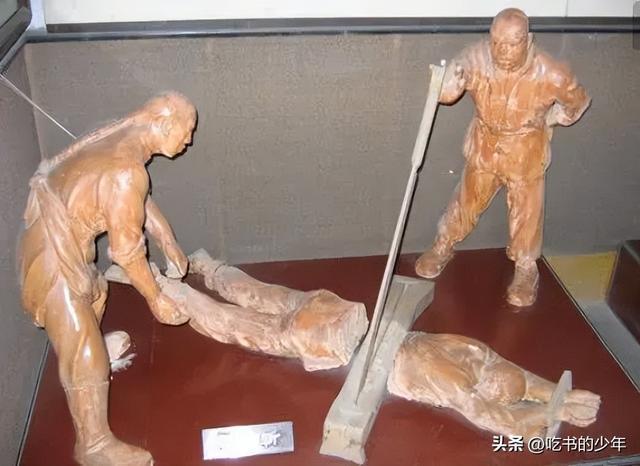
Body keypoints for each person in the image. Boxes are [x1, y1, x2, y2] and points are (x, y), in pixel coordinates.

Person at [18, 92, 196, 465]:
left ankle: (93, 356)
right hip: (51, 256)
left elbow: (133, 200)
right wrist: (156, 299)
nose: (189, 140)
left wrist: (167, 240)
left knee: (96, 296)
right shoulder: (127, 170)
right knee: (82, 345)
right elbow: (126, 252)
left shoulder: (123, 145)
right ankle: (93, 445)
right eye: (187, 130)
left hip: (58, 242)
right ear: (164, 125)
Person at [415, 8, 590, 306]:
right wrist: (448, 84)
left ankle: (525, 268)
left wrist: (552, 119)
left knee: (526, 211)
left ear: (528, 40)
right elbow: (451, 84)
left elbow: (578, 100)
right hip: (485, 146)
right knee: (466, 200)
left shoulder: (551, 72)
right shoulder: (477, 57)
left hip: (525, 152)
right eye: (496, 42)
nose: (501, 51)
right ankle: (443, 244)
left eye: (512, 43)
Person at [388, 332, 601, 438]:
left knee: (509, 380)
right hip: (397, 362)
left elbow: (520, 378)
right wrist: (551, 413)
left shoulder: (475, 351)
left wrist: (558, 393)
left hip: (417, 345)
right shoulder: (453, 384)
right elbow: (486, 415)